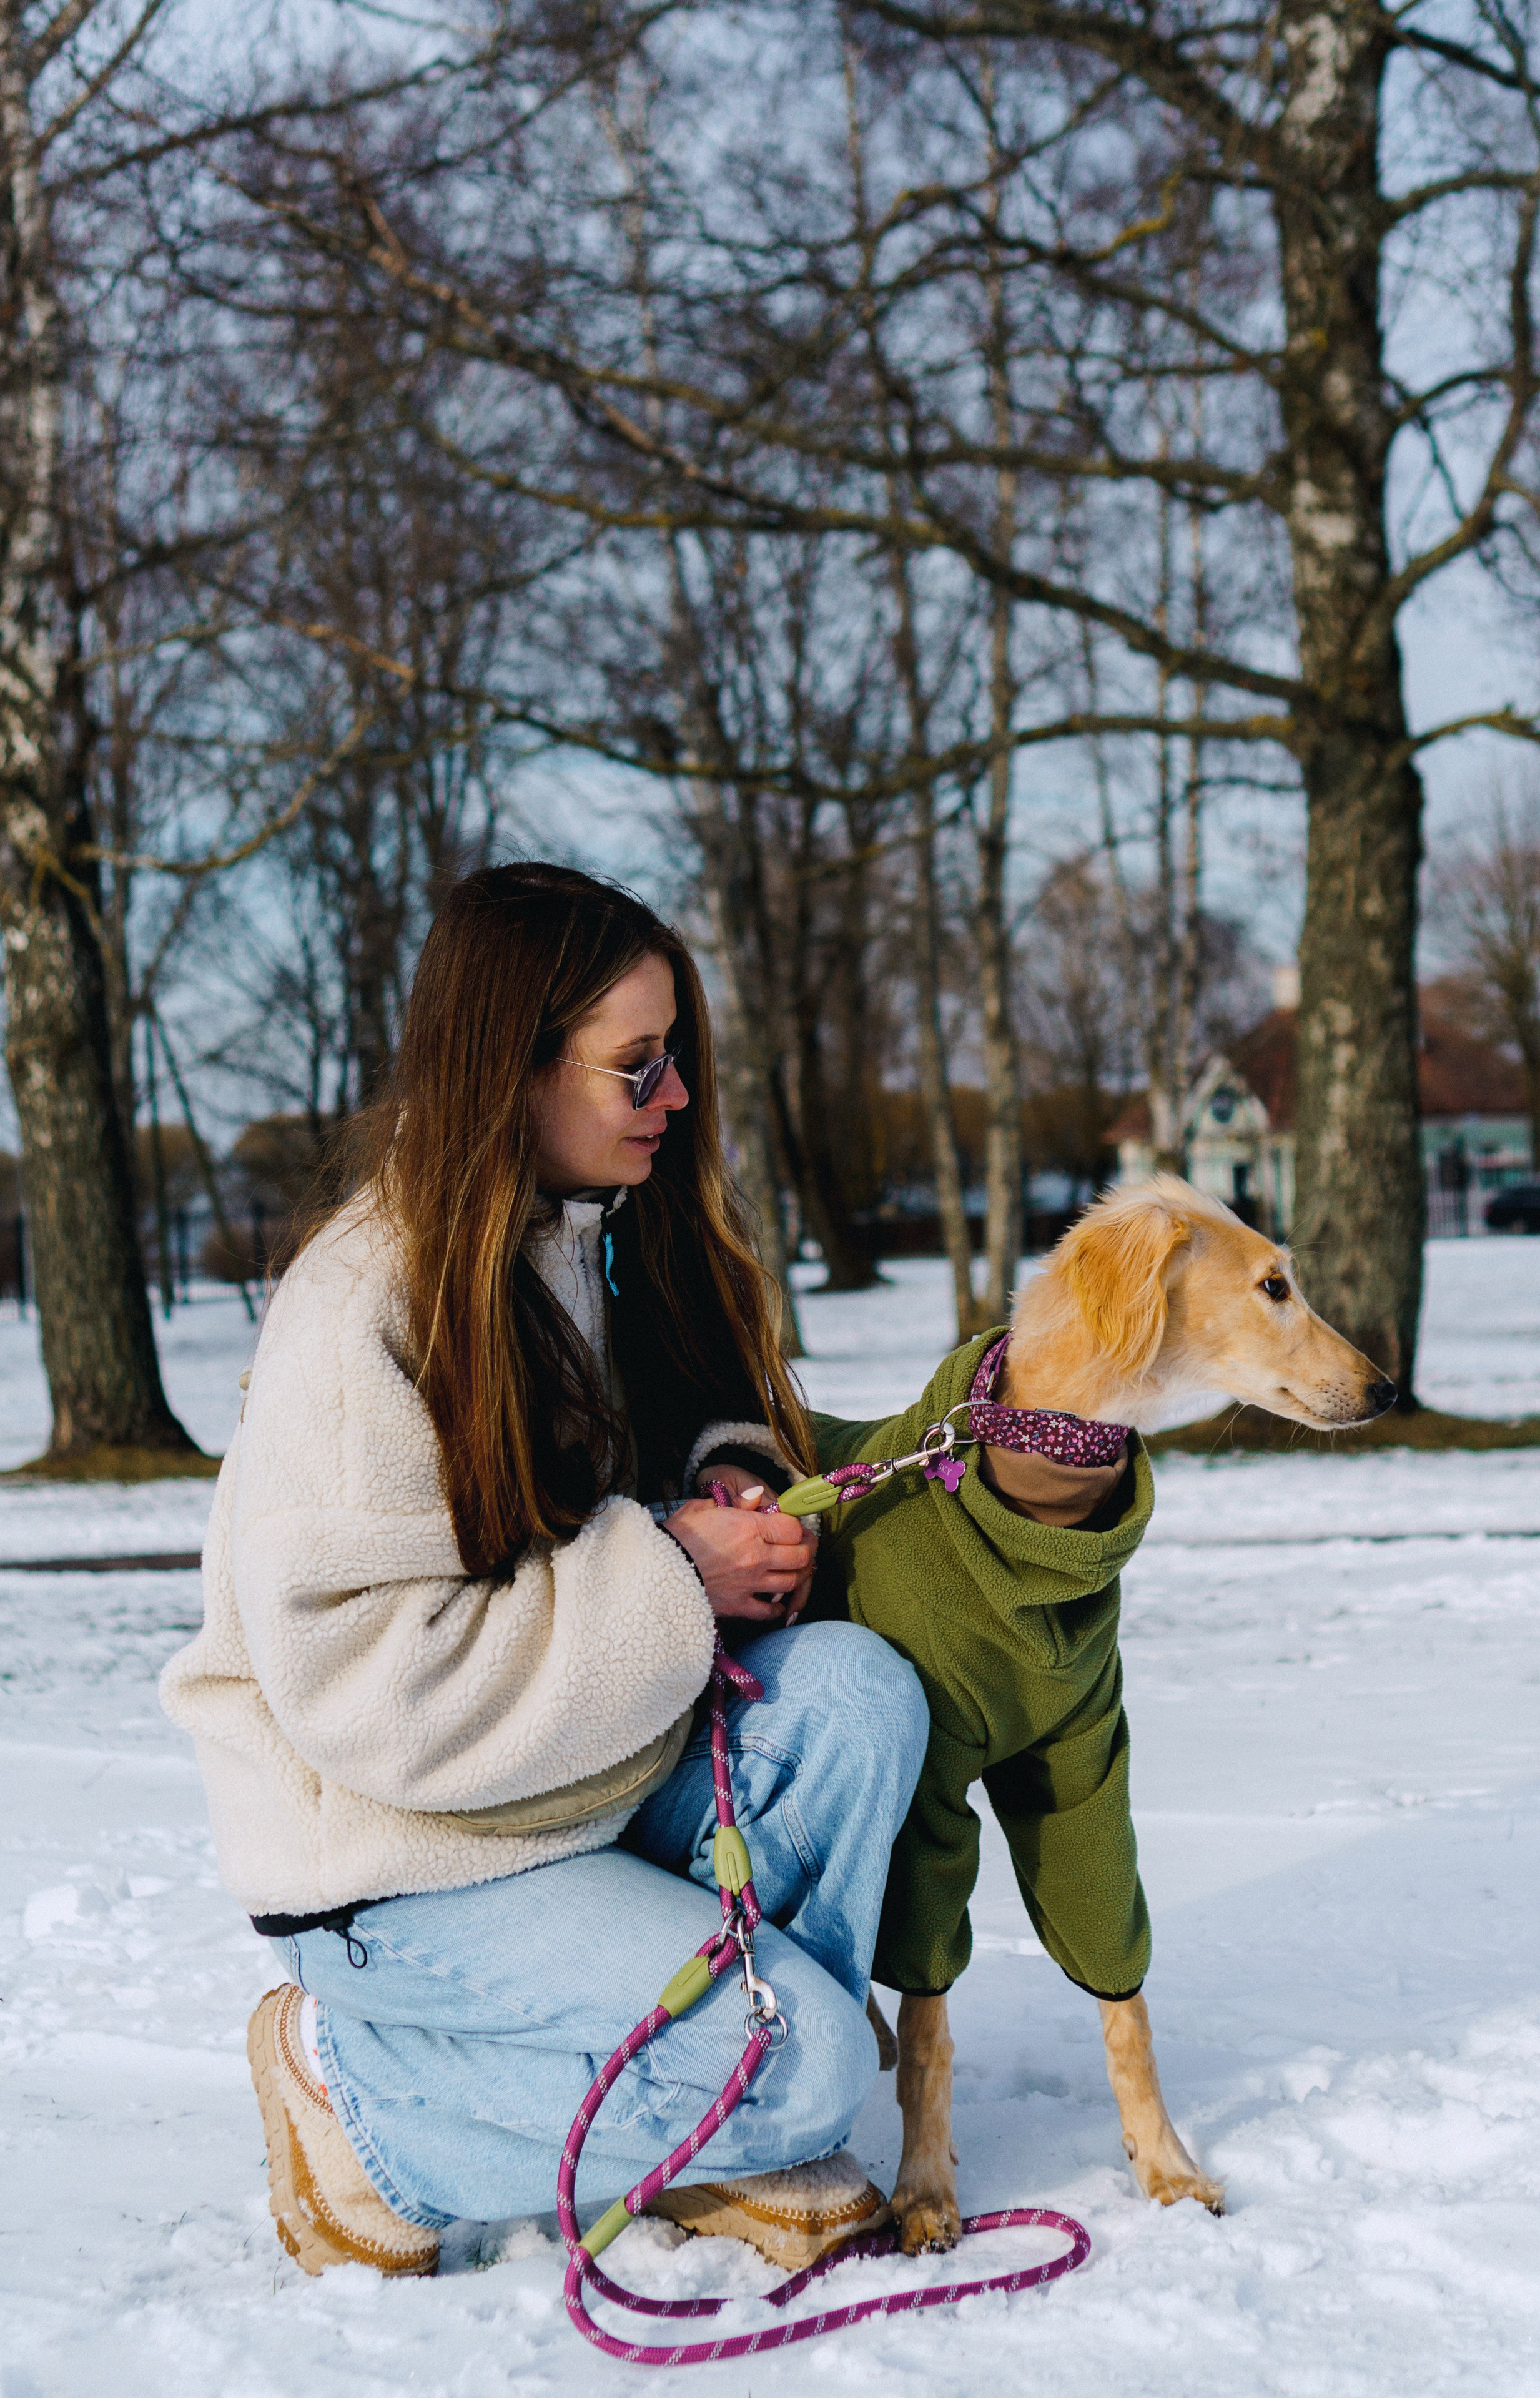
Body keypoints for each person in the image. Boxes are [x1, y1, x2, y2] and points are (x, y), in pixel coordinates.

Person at [160, 863, 929, 2281]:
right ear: (507, 1068)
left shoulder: (579, 1241)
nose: (675, 1098)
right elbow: (374, 1693)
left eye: (677, 1059)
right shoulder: (364, 1309)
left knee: (858, 1697)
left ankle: (702, 2117)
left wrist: (724, 1480)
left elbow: (659, 1445)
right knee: (811, 2071)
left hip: (570, 1789)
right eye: (636, 1067)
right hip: (403, 1867)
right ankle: (358, 2104)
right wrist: (672, 1581)